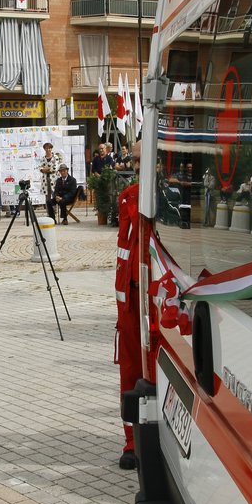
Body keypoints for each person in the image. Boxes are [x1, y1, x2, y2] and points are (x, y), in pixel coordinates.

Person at [115, 146, 141, 469]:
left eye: (140, 159)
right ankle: (132, 440)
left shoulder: (169, 195)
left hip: (157, 300)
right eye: (134, 160)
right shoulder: (129, 197)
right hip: (131, 300)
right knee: (130, 373)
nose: (135, 165)